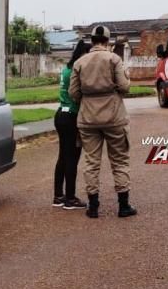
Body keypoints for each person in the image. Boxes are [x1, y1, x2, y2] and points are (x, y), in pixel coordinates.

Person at [69, 25, 136, 219]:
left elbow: (73, 93)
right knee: (119, 160)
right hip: (114, 116)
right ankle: (123, 205)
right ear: (107, 41)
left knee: (91, 162)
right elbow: (124, 88)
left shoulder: (80, 62)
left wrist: (88, 98)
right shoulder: (114, 59)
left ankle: (93, 206)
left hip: (88, 118)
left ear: (91, 41)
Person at [52, 41, 92, 210]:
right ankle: (70, 198)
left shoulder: (67, 69)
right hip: (72, 117)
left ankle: (58, 196)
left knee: (63, 156)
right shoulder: (77, 70)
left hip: (61, 114)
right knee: (72, 158)